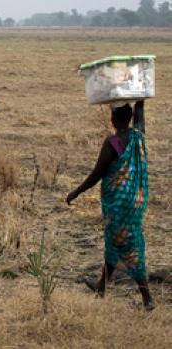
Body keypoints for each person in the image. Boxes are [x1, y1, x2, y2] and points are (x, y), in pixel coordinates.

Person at [66, 101, 154, 310]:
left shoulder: (113, 142)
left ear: (114, 119)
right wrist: (139, 98)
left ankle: (147, 298)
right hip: (136, 199)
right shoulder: (138, 136)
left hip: (118, 202)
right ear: (130, 117)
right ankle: (102, 286)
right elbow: (140, 114)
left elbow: (98, 173)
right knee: (115, 241)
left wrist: (77, 191)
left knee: (126, 244)